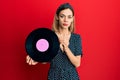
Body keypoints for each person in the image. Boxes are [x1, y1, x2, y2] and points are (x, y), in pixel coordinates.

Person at [26, 3, 82, 80]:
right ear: (57, 17)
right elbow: (47, 59)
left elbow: (77, 63)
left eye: (69, 17)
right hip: (54, 76)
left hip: (72, 76)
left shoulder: (76, 38)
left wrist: (65, 48)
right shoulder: (49, 37)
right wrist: (36, 59)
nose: (66, 20)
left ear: (72, 19)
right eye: (62, 16)